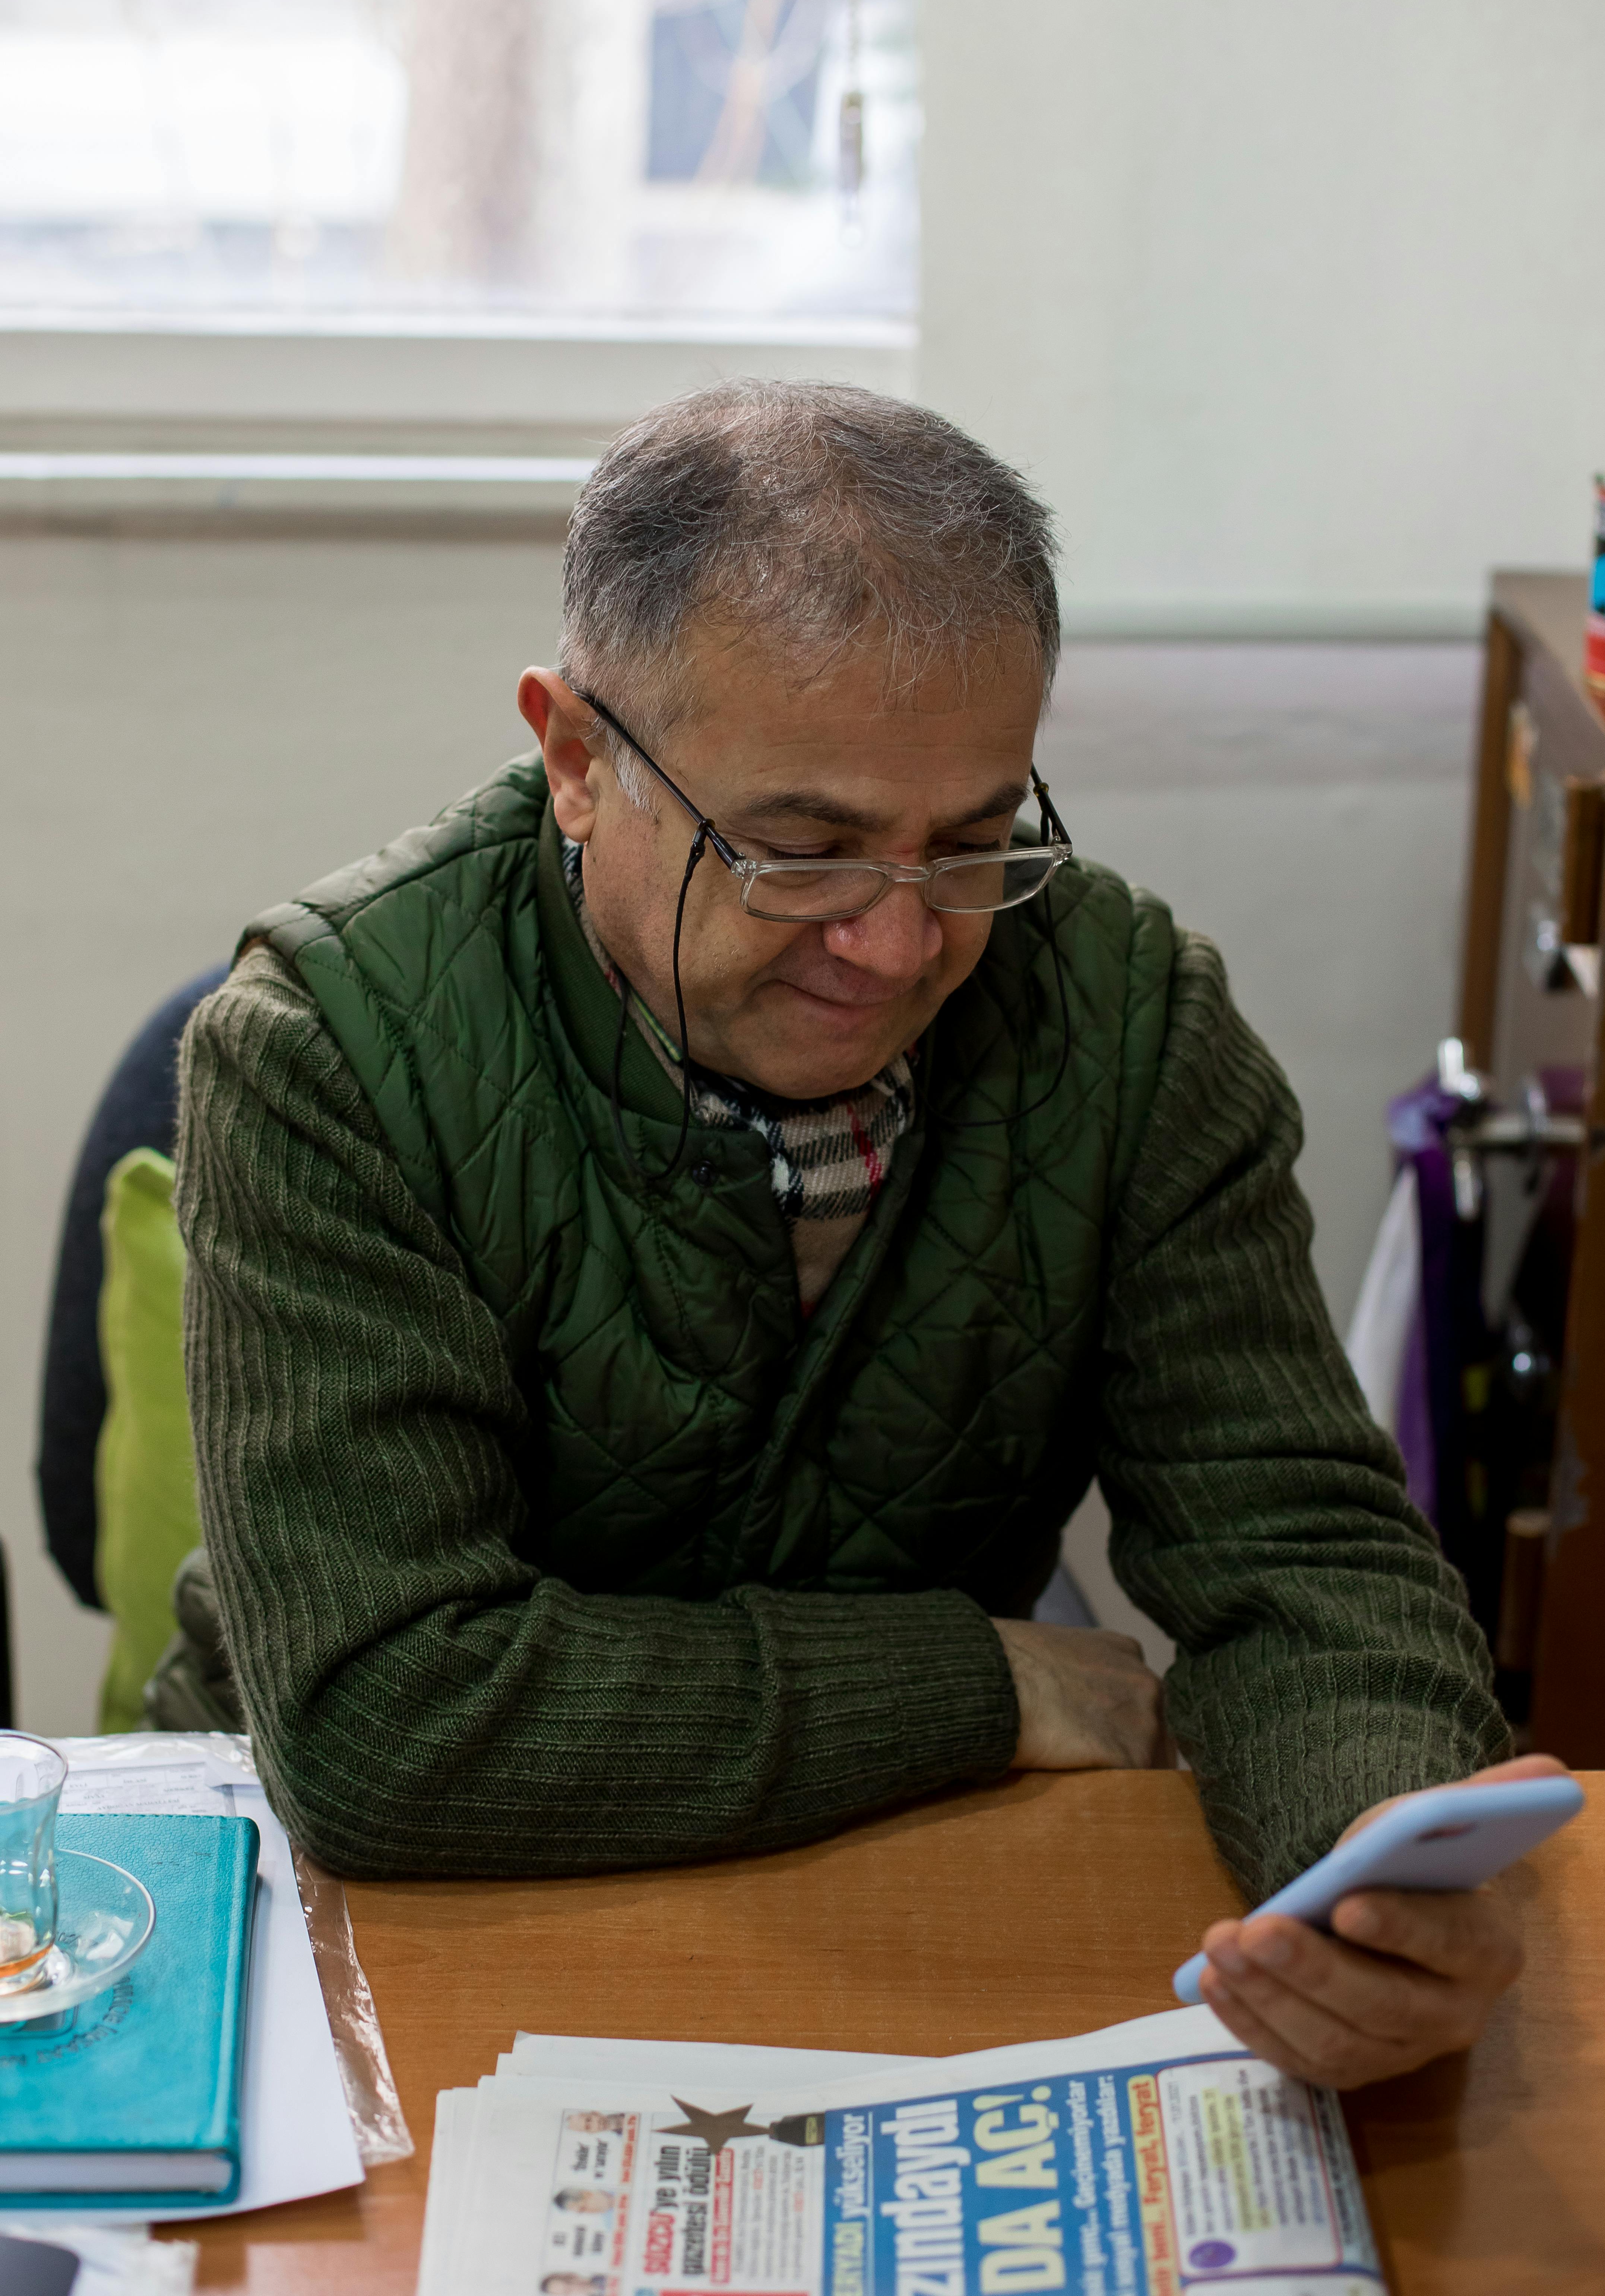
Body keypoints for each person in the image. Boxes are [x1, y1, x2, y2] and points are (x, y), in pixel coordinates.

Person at [172, 379, 1546, 2093]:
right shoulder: (325, 1053)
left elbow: (1305, 1554)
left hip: (888, 1879)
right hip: (359, 1932)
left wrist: (1378, 1869)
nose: (897, 946)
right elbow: (387, 1714)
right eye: (803, 855)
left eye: (974, 846)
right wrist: (976, 1680)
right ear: (579, 758)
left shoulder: (1127, 1025)